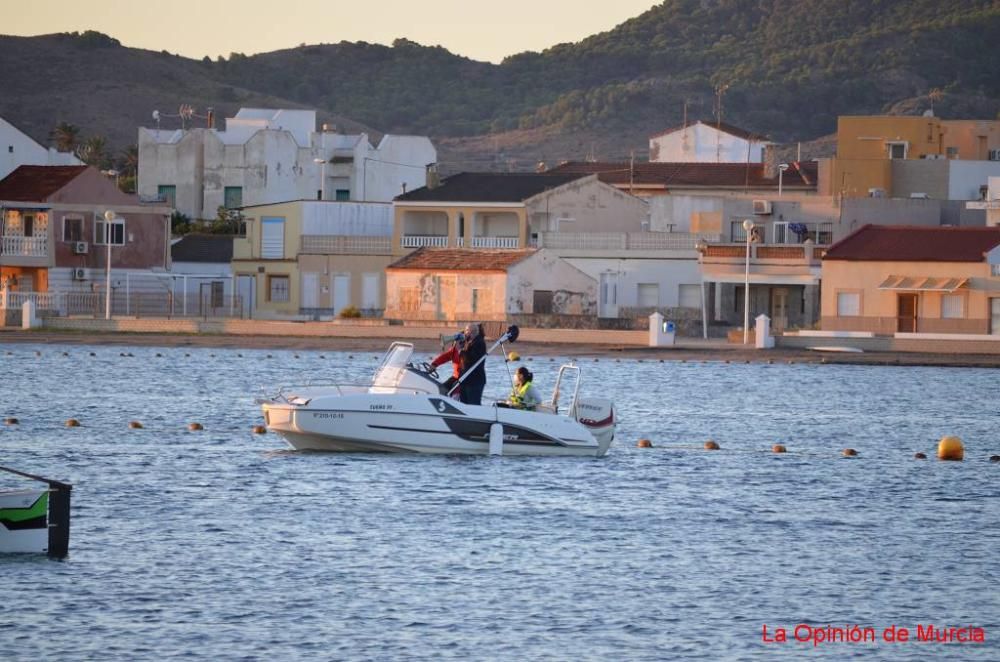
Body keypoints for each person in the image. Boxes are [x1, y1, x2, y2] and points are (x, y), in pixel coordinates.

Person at [431, 322, 487, 405]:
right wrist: (434, 364)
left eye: (466, 332)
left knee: (472, 403)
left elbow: (470, 360)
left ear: (471, 333)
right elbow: (446, 356)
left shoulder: (478, 343)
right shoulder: (463, 345)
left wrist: (461, 350)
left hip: (471, 379)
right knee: (441, 389)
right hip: (460, 377)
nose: (464, 335)